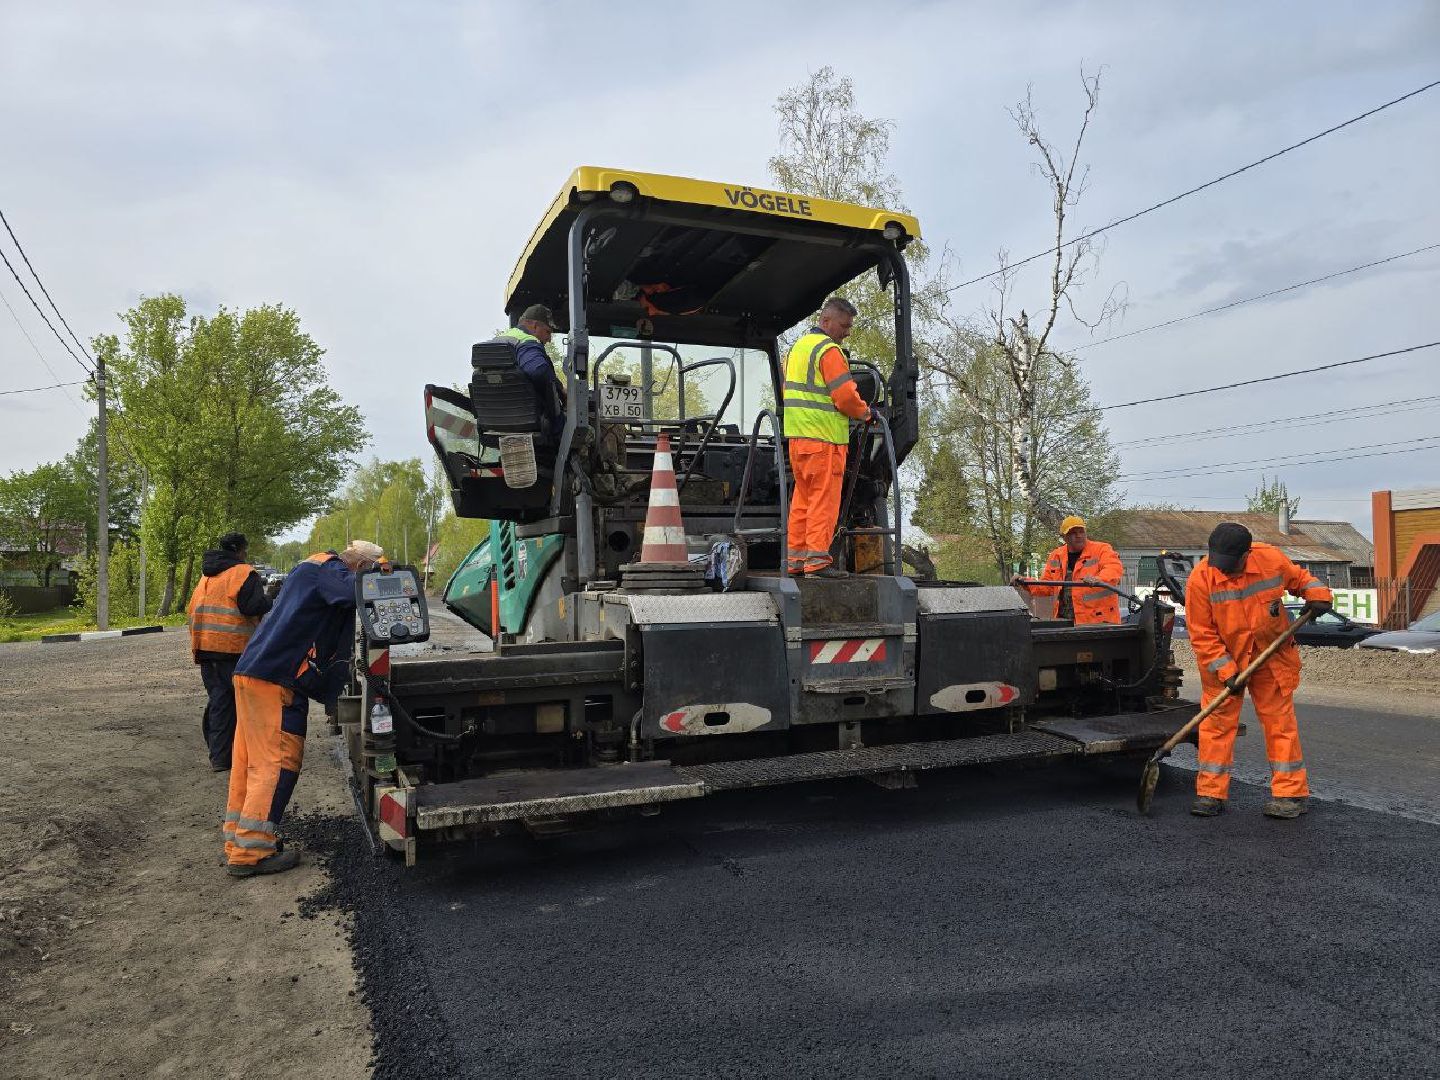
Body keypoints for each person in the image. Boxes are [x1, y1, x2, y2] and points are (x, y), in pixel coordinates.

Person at [222, 540, 384, 877]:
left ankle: (240, 839)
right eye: (369, 569)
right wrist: (384, 579)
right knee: (277, 764)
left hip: (253, 673)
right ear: (359, 565)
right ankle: (251, 852)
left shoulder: (309, 567)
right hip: (276, 680)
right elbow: (352, 591)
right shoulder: (330, 568)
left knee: (249, 764)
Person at [1186, 522, 1333, 820]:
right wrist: (1226, 671)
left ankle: (1290, 795)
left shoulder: (1270, 559)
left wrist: (1318, 595)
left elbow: (1301, 579)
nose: (1222, 569)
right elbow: (1201, 634)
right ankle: (1211, 793)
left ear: (1246, 554)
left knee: (1280, 724)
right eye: (1217, 562)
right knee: (1216, 727)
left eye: (1229, 564)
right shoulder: (1200, 579)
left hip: (1270, 656)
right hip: (1224, 660)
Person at [781, 296, 874, 578]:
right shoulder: (829, 351)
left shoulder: (797, 349)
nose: (847, 332)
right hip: (823, 440)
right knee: (824, 500)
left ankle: (796, 561)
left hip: (798, 439)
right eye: (844, 326)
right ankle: (817, 562)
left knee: (803, 500)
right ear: (826, 321)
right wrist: (865, 413)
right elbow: (845, 397)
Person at [186, 532, 272, 771]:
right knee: (247, 702)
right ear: (240, 550)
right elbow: (252, 606)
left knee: (220, 702)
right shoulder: (243, 573)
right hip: (233, 648)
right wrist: (270, 599)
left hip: (205, 647)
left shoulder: (207, 575)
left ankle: (220, 758)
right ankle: (252, 754)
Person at [1016, 516, 1124, 624]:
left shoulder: (1102, 549)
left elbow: (1113, 569)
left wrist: (1099, 579)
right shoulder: (1056, 555)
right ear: (1064, 537)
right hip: (1065, 621)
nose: (1079, 535)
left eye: (1081, 531)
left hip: (1100, 622)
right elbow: (1047, 587)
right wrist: (1025, 582)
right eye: (1073, 533)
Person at [496, 304, 567, 431]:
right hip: (530, 422)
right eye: (548, 332)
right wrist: (560, 390)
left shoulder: (499, 341)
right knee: (589, 433)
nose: (549, 339)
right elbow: (538, 371)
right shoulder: (526, 342)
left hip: (496, 421)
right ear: (534, 326)